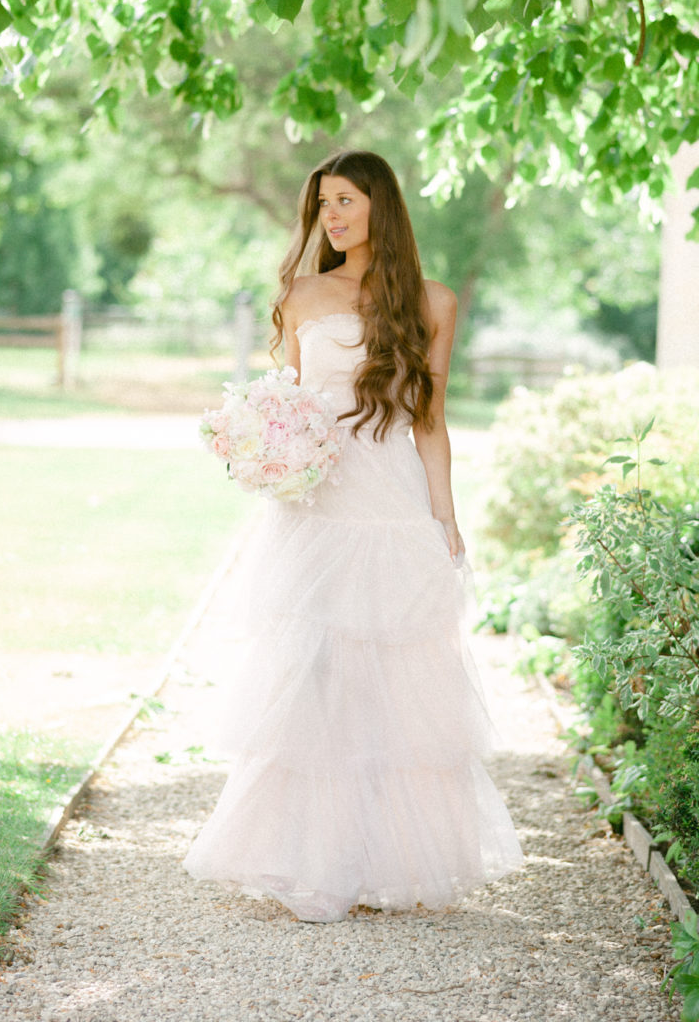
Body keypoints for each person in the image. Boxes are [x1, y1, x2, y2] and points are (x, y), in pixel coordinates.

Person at [184, 150, 523, 922]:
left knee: (391, 685)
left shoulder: (432, 302)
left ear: (381, 208)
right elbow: (289, 402)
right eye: (323, 205)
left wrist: (446, 517)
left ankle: (379, 859)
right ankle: (309, 858)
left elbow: (431, 423)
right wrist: (266, 450)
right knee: (313, 672)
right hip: (314, 508)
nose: (331, 217)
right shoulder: (303, 295)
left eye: (345, 201)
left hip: (391, 501)